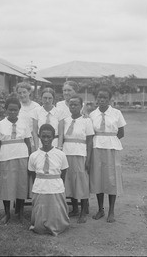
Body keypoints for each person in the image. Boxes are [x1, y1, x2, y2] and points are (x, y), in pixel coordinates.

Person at [89, 87, 126, 223]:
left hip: (111, 148)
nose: (101, 100)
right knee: (98, 178)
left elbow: (121, 133)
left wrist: (109, 140)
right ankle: (100, 209)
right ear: (96, 99)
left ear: (110, 99)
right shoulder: (92, 114)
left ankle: (111, 211)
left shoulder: (116, 113)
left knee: (111, 179)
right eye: (99, 97)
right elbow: (90, 132)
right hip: (96, 147)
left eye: (105, 97)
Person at [0, 97, 32, 223]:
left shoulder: (24, 124)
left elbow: (28, 143)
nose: (13, 112)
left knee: (21, 185)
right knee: (6, 186)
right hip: (5, 157)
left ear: (19, 110)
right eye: (10, 110)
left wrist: (30, 160)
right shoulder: (0, 125)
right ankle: (7, 213)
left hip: (22, 156)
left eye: (15, 110)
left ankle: (20, 213)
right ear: (6, 110)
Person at [28, 124, 70, 236]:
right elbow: (33, 174)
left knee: (56, 210)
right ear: (39, 137)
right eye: (43, 136)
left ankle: (57, 225)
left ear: (53, 137)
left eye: (49, 137)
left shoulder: (61, 154)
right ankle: (40, 226)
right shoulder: (34, 155)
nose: (46, 139)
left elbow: (63, 173)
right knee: (40, 210)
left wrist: (58, 186)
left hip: (56, 186)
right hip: (40, 186)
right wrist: (39, 185)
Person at [60, 95, 94, 223]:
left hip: (80, 154)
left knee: (81, 182)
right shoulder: (65, 120)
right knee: (70, 181)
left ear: (81, 106)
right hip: (66, 154)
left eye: (76, 104)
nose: (73, 106)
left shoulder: (87, 121)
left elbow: (90, 142)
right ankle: (74, 209)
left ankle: (83, 212)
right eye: (71, 104)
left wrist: (89, 159)